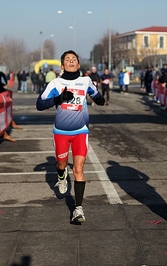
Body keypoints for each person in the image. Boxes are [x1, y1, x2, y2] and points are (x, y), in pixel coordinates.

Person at [36, 50, 105, 223]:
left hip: (81, 131)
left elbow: (96, 95)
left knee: (79, 169)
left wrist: (98, 99)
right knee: (62, 164)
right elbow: (39, 104)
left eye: (74, 59)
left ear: (78, 64)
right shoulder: (55, 83)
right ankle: (61, 175)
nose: (71, 61)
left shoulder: (86, 81)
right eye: (68, 59)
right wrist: (58, 99)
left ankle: (78, 209)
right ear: (62, 66)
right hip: (61, 132)